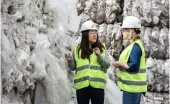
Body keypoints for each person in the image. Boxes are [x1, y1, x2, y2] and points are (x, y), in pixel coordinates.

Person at [65, 20, 110, 104]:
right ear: (85, 35)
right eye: (91, 33)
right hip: (82, 87)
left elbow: (107, 65)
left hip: (97, 87)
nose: (94, 35)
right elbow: (73, 67)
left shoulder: (102, 48)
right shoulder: (77, 49)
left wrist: (99, 55)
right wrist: (70, 61)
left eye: (95, 33)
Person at [112, 16, 147, 104]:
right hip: (132, 88)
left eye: (123, 30)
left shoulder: (136, 47)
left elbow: (134, 66)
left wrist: (119, 64)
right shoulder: (134, 45)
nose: (122, 33)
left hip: (132, 89)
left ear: (130, 30)